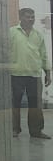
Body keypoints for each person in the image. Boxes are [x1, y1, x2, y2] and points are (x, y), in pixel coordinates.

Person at [9, 7, 51, 139]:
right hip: (16, 74)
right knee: (14, 103)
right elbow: (4, 51)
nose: (31, 19)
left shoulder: (38, 35)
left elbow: (43, 55)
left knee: (36, 104)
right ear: (20, 17)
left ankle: (36, 131)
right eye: (27, 17)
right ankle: (14, 129)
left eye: (32, 17)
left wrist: (48, 72)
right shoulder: (11, 32)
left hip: (34, 75)